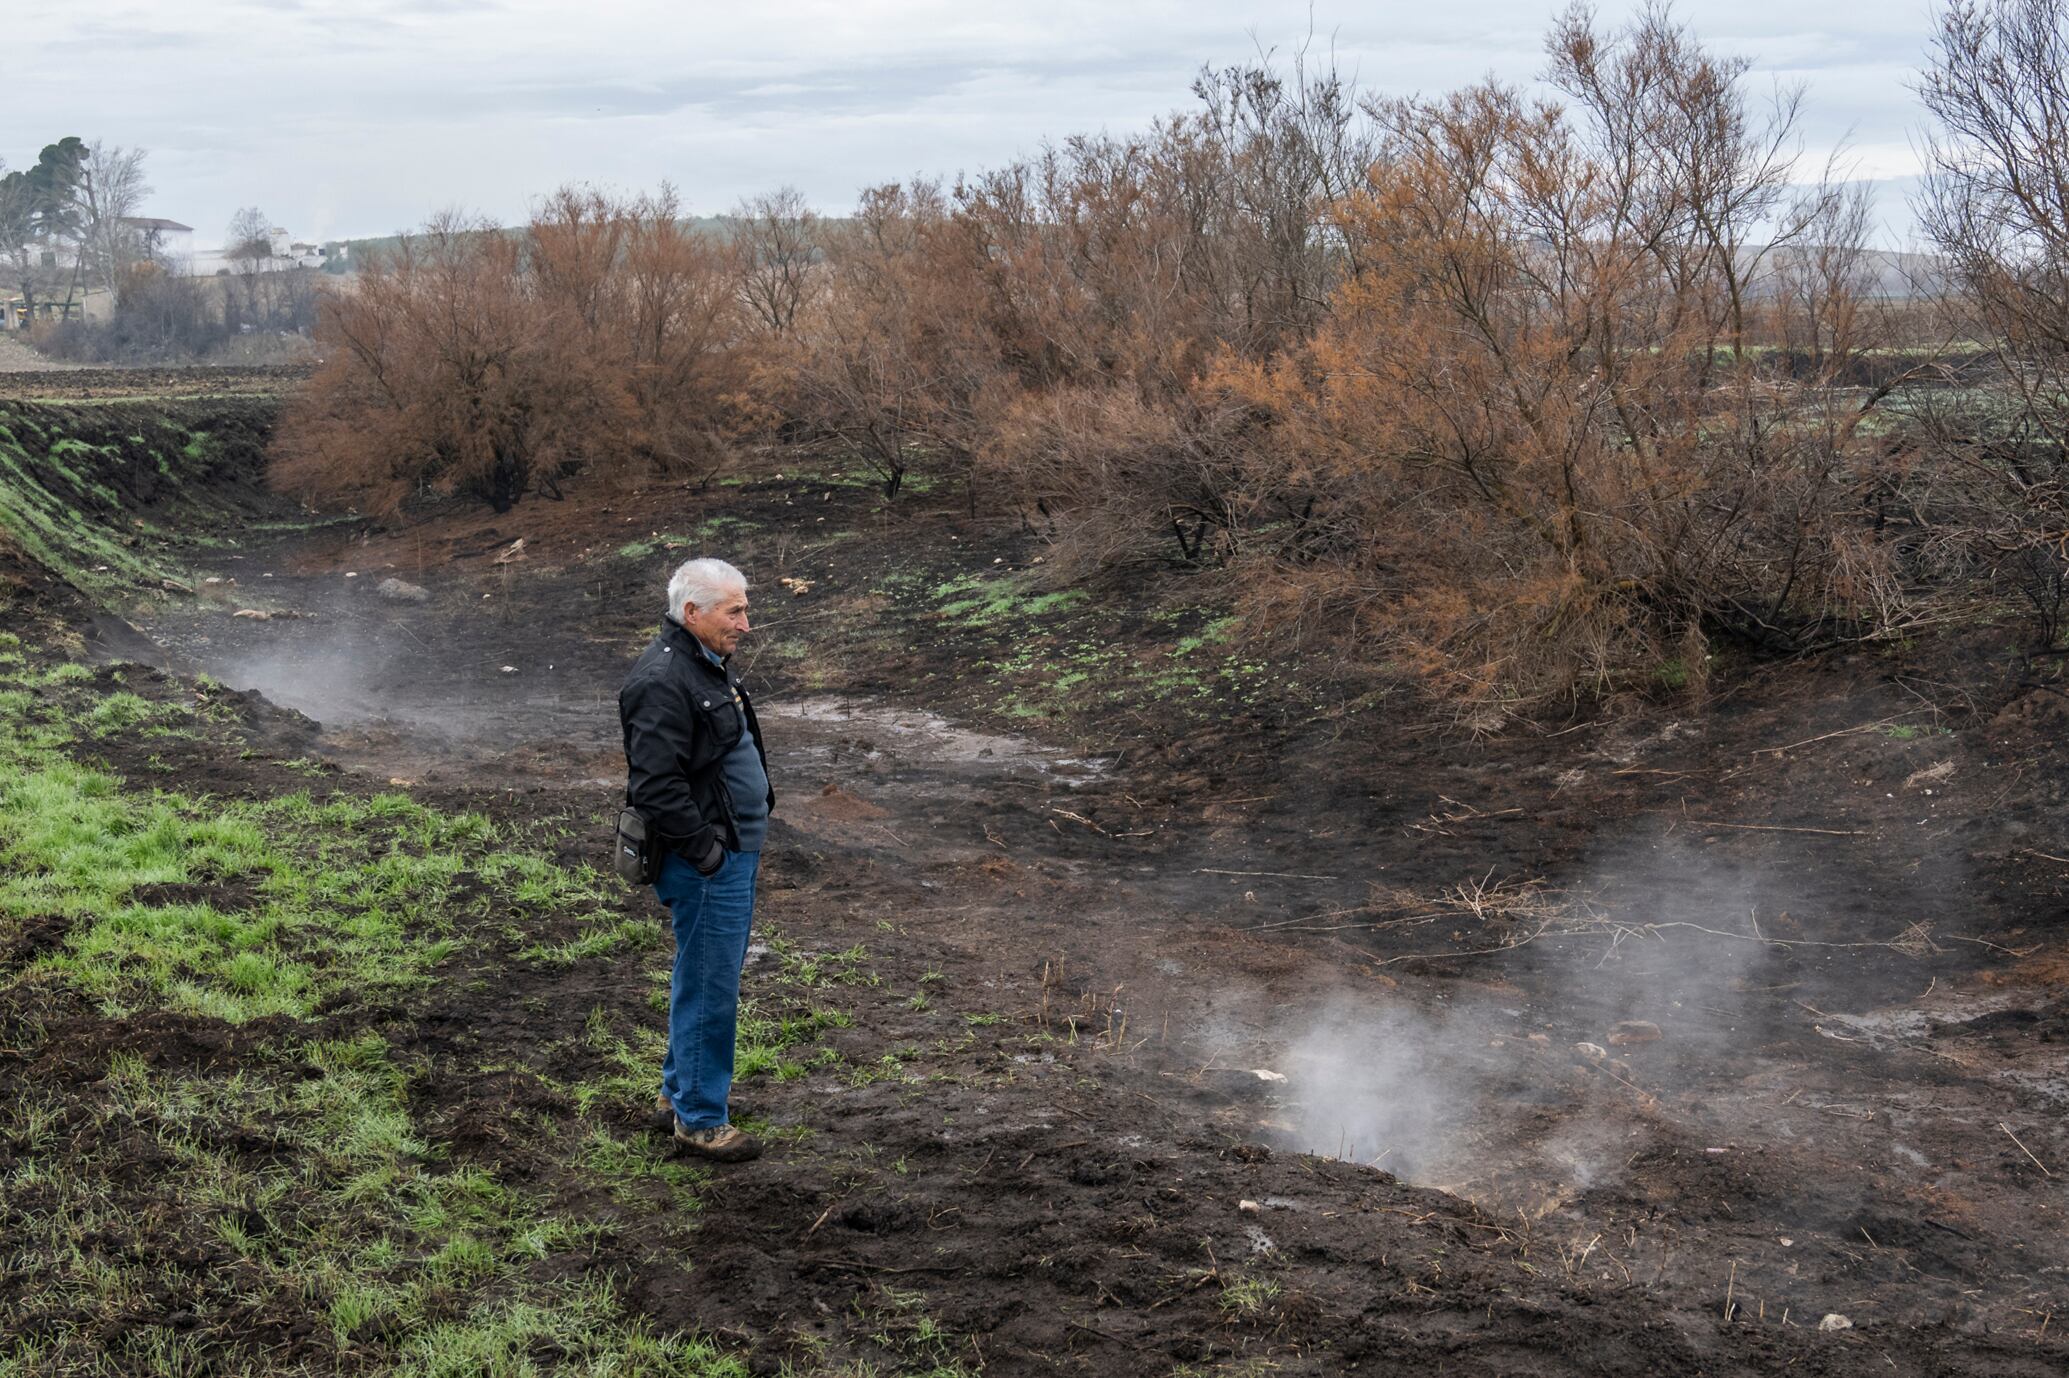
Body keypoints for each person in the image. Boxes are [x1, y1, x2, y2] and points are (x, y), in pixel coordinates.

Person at [619, 557, 774, 1163]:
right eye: (733, 611)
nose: (745, 623)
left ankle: (677, 1098)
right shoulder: (662, 680)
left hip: (730, 851)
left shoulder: (704, 666)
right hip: (712, 861)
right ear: (693, 613)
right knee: (711, 988)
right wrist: (708, 854)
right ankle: (701, 1121)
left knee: (702, 977)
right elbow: (655, 785)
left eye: (744, 608)